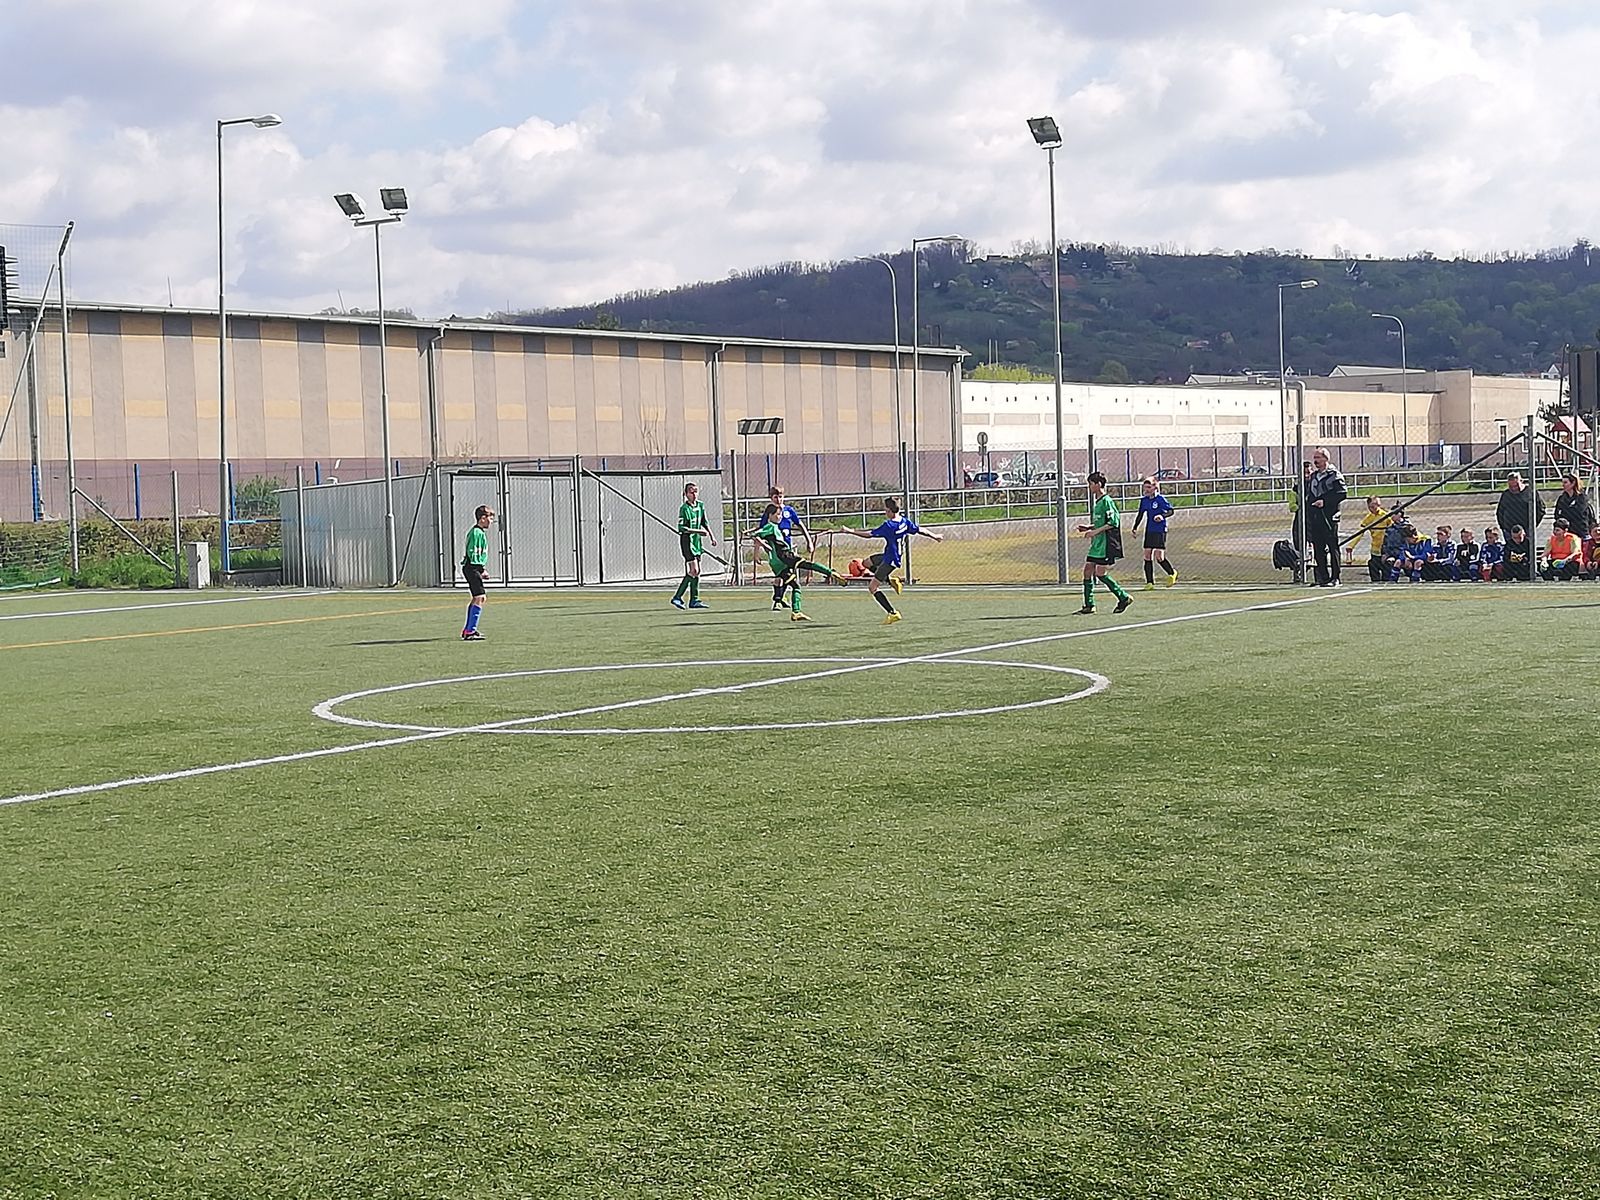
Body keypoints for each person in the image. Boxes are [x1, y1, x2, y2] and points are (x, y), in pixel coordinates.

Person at [835, 497, 942, 625]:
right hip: (891, 556)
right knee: (866, 563)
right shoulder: (904, 521)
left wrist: (849, 531)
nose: (885, 512)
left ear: (891, 511)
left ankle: (892, 613)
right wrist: (935, 536)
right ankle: (891, 580)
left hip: (890, 561)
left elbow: (869, 534)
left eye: (886, 510)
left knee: (873, 587)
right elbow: (920, 530)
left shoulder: (889, 526)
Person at [748, 503, 845, 622]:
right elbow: (754, 535)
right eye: (777, 515)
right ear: (770, 515)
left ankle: (796, 612)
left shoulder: (774, 527)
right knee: (807, 564)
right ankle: (831, 573)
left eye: (780, 514)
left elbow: (757, 537)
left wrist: (762, 547)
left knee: (795, 586)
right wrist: (763, 545)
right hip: (784, 557)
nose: (780, 517)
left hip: (778, 563)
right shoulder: (770, 526)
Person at [1075, 471, 1133, 615]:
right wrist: (1089, 527)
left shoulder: (1107, 501)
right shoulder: (1098, 502)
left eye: (1091, 484)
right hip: (1097, 544)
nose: (1089, 487)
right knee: (1088, 570)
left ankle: (1123, 597)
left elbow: (1113, 522)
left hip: (1105, 544)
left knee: (1100, 573)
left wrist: (1094, 532)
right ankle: (1089, 605)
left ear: (1098, 484)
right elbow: (1101, 522)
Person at [764, 486, 812, 610]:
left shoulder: (788, 511)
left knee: (785, 574)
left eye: (780, 497)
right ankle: (778, 600)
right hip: (775, 550)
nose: (778, 499)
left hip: (787, 549)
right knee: (782, 574)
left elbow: (800, 524)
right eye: (775, 497)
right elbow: (762, 529)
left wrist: (809, 541)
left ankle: (780, 598)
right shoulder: (770, 512)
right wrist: (764, 546)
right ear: (771, 498)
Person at [1305, 447, 1347, 586]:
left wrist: (1325, 501)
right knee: (1318, 548)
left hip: (1329, 516)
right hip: (1316, 517)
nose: (1315, 461)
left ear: (1325, 459)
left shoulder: (1334, 475)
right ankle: (1323, 577)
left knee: (1332, 546)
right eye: (1314, 458)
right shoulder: (1314, 476)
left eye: (1318, 458)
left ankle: (1335, 577)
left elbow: (1342, 493)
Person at [670, 482, 716, 610]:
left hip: (697, 542)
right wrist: (698, 531)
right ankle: (677, 597)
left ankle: (694, 600)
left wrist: (712, 537)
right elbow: (681, 528)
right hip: (687, 541)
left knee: (697, 571)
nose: (694, 494)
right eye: (691, 492)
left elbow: (704, 522)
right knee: (694, 570)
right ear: (685, 494)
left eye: (695, 491)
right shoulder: (684, 508)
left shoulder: (700, 506)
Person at [1133, 476, 1178, 589]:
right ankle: (1150, 582)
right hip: (1149, 530)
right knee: (1147, 555)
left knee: (1159, 556)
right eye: (1145, 487)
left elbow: (1171, 511)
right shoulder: (1144, 500)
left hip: (1160, 530)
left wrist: (1162, 516)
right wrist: (1135, 527)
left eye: (1149, 487)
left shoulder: (1160, 499)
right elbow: (1140, 514)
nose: (1146, 490)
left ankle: (1172, 573)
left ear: (1155, 487)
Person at [460, 504, 494, 640]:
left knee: (478, 597)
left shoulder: (479, 532)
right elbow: (473, 552)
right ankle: (470, 631)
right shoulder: (476, 533)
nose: (491, 521)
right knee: (480, 597)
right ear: (482, 518)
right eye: (490, 517)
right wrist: (481, 569)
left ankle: (468, 629)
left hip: (473, 568)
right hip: (472, 568)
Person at [1496, 473, 1545, 543]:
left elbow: (1540, 509)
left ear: (1521, 481)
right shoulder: (1506, 494)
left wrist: (1533, 525)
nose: (1514, 488)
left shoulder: (1530, 492)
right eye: (1511, 486)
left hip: (1526, 530)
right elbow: (1500, 511)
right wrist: (1503, 527)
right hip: (1509, 531)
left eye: (1516, 485)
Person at [1358, 496, 1395, 582]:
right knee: (1372, 565)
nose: (1376, 507)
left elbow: (1394, 532)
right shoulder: (1368, 519)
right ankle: (1375, 582)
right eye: (1373, 505)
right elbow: (1359, 533)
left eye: (1378, 504)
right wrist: (1350, 546)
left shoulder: (1385, 516)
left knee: (1387, 571)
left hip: (1386, 550)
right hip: (1375, 550)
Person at [1554, 473, 1597, 539]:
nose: (1563, 485)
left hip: (1581, 532)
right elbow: (1557, 514)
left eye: (1565, 482)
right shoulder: (1561, 499)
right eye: (1562, 482)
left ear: (1573, 483)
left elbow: (1580, 513)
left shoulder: (1582, 498)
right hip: (1567, 533)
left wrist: (1567, 511)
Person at [1378, 511, 1410, 582]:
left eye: (1394, 514)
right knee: (1386, 564)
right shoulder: (1390, 529)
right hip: (1391, 554)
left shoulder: (1407, 527)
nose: (1392, 516)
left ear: (1400, 514)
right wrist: (1385, 553)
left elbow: (1409, 545)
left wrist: (1404, 556)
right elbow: (1385, 543)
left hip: (1404, 554)